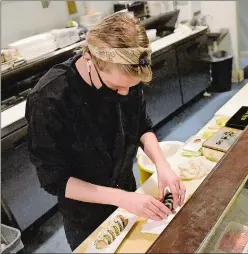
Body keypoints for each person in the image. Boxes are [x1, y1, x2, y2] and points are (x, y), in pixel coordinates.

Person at [26, 12, 186, 251]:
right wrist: (121, 198)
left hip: (126, 193)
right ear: (90, 59)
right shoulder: (50, 100)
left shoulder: (126, 79)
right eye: (116, 87)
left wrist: (162, 165)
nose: (125, 94)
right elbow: (55, 181)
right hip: (85, 214)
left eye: (130, 88)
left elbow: (142, 125)